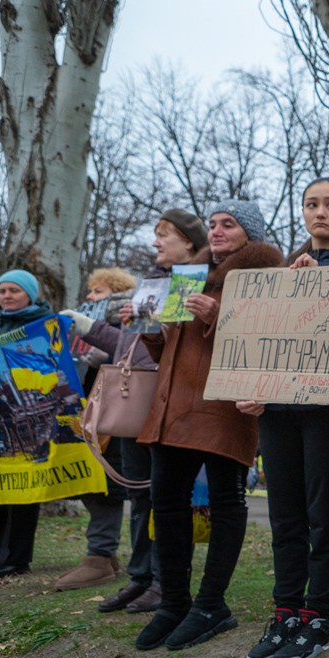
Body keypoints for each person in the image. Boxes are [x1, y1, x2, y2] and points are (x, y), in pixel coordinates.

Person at [126, 200, 282, 652]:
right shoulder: (188, 277)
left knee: (224, 505)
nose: (216, 231)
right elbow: (170, 354)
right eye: (212, 224)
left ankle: (212, 605)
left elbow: (269, 341)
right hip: (173, 410)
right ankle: (173, 603)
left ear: (248, 234)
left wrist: (219, 318)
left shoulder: (263, 276)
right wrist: (152, 328)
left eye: (228, 225)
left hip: (222, 407)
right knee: (166, 504)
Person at [237, 177, 329, 658]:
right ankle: (285, 612)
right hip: (278, 409)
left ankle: (318, 616)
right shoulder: (281, 273)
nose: (321, 213)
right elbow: (259, 342)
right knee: (284, 516)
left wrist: (328, 286)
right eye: (312, 204)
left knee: (323, 512)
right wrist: (251, 389)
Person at [66, 210, 209, 613]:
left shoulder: (194, 281)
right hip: (135, 400)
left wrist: (142, 324)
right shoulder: (149, 283)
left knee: (164, 495)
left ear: (189, 243)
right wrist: (102, 328)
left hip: (168, 402)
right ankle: (140, 577)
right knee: (138, 492)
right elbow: (131, 351)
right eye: (157, 235)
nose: (156, 242)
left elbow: (179, 347)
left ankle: (165, 580)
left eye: (165, 235)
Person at [52, 267, 137, 592]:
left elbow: (125, 355)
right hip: (90, 415)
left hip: (117, 417)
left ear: (115, 294)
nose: (90, 297)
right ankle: (107, 556)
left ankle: (99, 559)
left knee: (106, 488)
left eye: (98, 291)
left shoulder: (127, 321)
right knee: (91, 483)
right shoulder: (84, 327)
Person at [0, 270, 54, 579]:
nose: (6, 296)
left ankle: (17, 558)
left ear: (30, 295)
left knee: (23, 491)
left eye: (14, 291)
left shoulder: (42, 325)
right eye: (2, 291)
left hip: (32, 417)